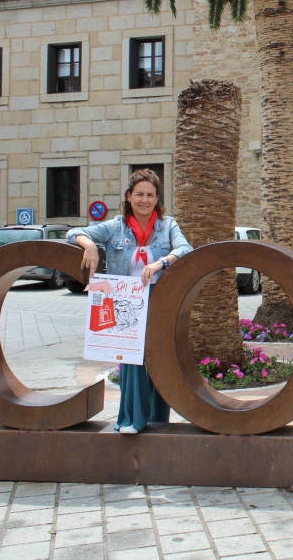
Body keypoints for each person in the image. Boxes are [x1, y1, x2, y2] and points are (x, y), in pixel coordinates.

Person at [67, 168, 192, 434]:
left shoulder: (167, 225)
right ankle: (131, 420)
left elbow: (185, 249)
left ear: (157, 198)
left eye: (150, 195)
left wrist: (161, 261)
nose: (144, 200)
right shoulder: (116, 227)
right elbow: (74, 233)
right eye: (139, 194)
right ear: (129, 196)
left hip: (159, 302)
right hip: (126, 302)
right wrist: (88, 245)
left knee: (158, 359)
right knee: (131, 360)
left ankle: (158, 420)